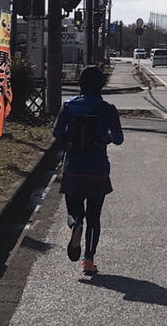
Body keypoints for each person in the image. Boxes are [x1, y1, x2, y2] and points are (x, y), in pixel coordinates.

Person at [52, 65, 124, 277]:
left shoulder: (68, 106)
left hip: (73, 167)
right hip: (98, 169)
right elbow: (119, 139)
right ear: (102, 85)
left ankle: (75, 225)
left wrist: (70, 141)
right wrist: (106, 137)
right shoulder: (108, 109)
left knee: (74, 210)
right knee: (95, 216)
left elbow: (57, 132)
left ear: (80, 84)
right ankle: (88, 261)